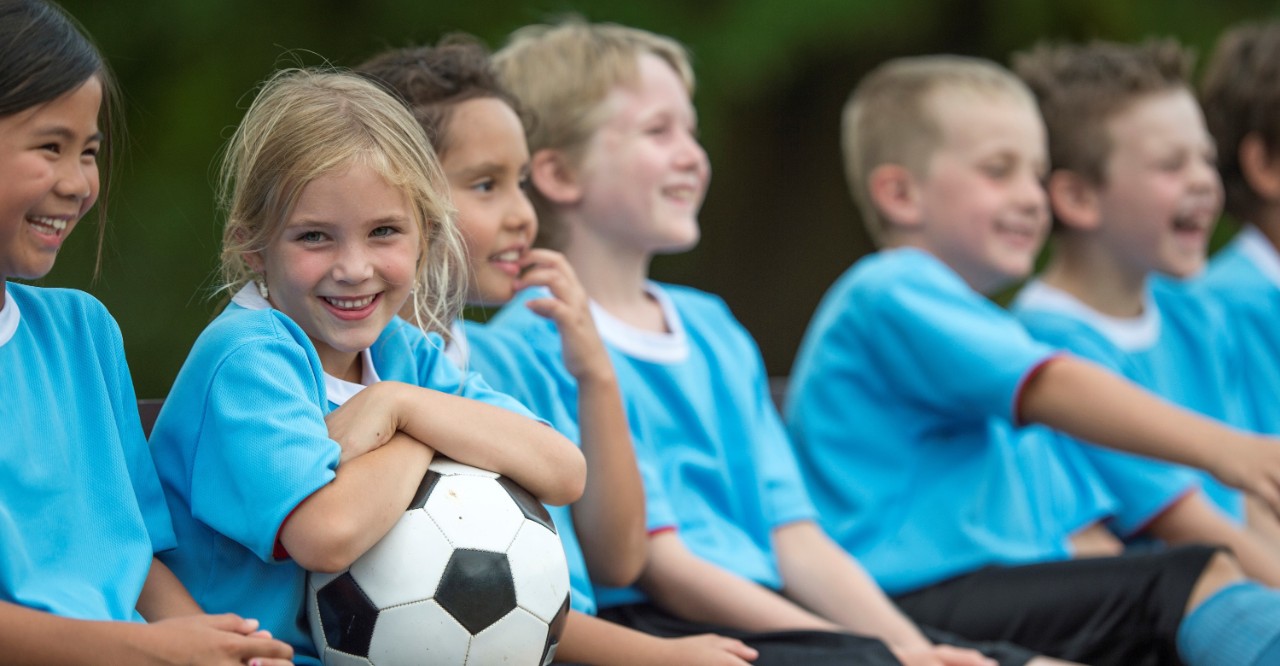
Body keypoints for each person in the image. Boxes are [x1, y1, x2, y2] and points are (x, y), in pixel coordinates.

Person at [481, 18, 1078, 666]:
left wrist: (911, 647)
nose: (692, 154)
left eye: (692, 129)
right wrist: (866, 650)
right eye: (659, 132)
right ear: (562, 175)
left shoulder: (712, 327)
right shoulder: (539, 343)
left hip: (779, 620)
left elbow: (796, 538)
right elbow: (660, 565)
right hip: (672, 630)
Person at [785, 53, 1280, 666]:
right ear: (900, 194)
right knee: (1186, 579)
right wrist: (1229, 450)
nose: (1030, 197)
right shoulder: (890, 290)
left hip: (1000, 593)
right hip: (908, 599)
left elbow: (1079, 536)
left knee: (1169, 597)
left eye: (1035, 174)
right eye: (999, 171)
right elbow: (1053, 384)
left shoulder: (986, 335)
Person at [147, 68, 585, 664]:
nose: (354, 268)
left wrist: (397, 405)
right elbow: (326, 535)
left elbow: (562, 470)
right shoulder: (249, 359)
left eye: (383, 232)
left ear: (424, 238)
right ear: (254, 245)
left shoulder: (401, 355)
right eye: (314, 237)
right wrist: (420, 428)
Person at [355, 38, 757, 665]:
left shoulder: (515, 359)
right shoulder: (363, 377)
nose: (522, 215)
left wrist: (595, 373)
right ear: (397, 201)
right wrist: (662, 657)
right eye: (487, 186)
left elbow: (617, 558)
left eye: (520, 184)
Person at [0, 1, 295, 664]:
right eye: (50, 147)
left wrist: (225, 647)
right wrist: (148, 650)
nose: (79, 184)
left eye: (90, 153)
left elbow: (129, 553)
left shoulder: (82, 334)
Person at [1008, 39, 1280, 585]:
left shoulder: (1196, 313)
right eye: (1171, 165)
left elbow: (1248, 503)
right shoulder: (1047, 346)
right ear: (1079, 198)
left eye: (1204, 157)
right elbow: (1192, 525)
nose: (1204, 180)